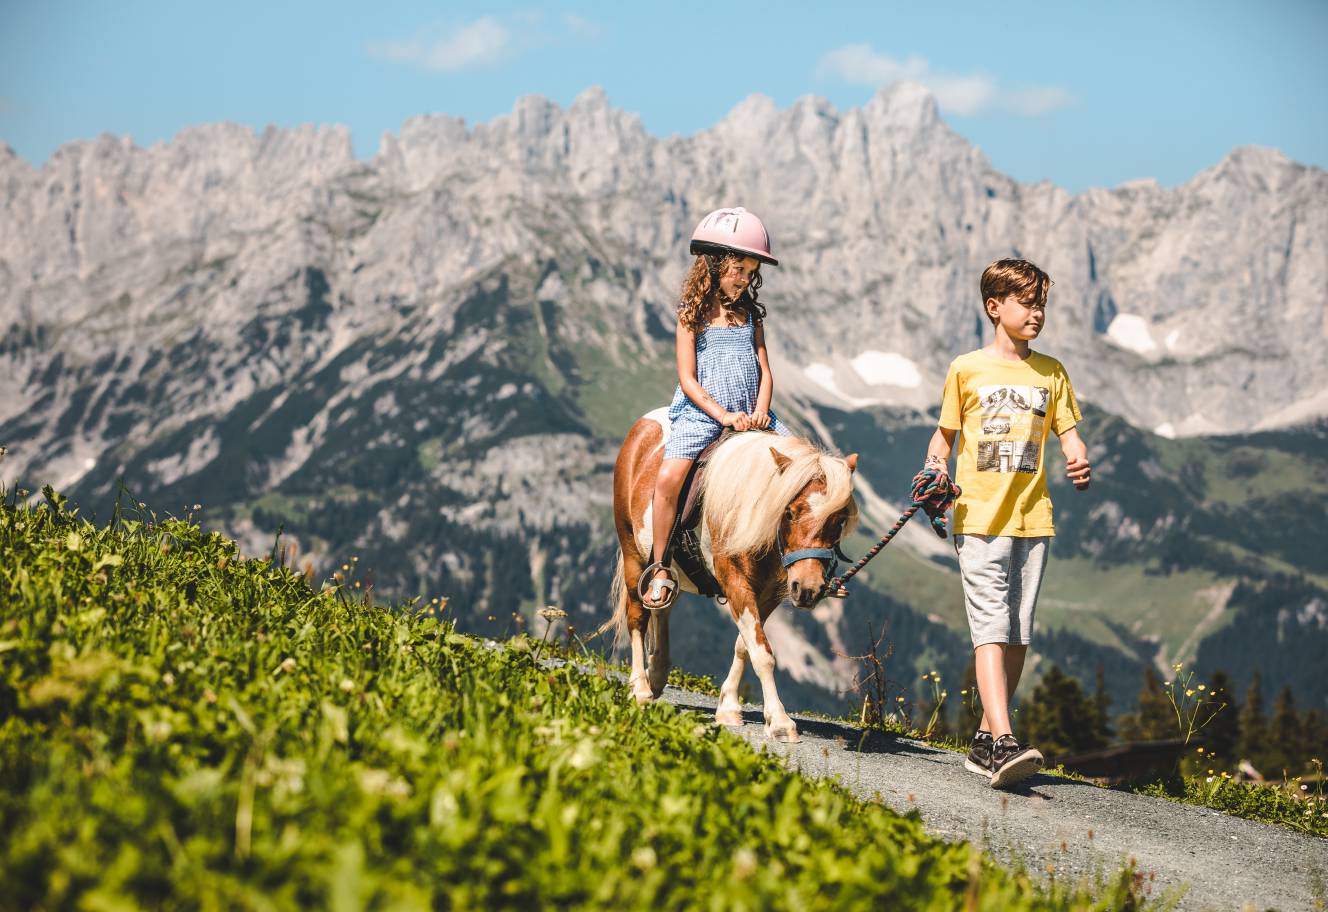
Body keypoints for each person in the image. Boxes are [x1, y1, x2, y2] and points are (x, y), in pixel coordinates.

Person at [924, 258, 1092, 788]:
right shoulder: (966, 368)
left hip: (1032, 519)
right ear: (995, 307)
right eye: (1026, 302)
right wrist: (933, 470)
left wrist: (1077, 454)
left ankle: (982, 740)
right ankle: (1002, 739)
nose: (1037, 313)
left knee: (1018, 633)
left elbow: (1067, 432)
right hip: (978, 517)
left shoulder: (1051, 372)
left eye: (1042, 303)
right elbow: (944, 437)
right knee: (990, 629)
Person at [642, 207, 793, 609]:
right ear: (712, 264)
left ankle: (800, 562)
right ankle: (659, 566)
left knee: (800, 467)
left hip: (751, 414)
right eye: (737, 269)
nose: (744, 279)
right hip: (702, 414)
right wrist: (722, 416)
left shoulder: (751, 316)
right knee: (670, 478)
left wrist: (762, 409)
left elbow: (765, 369)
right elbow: (688, 378)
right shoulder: (691, 316)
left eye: (750, 271)